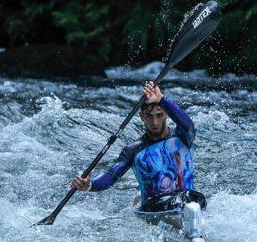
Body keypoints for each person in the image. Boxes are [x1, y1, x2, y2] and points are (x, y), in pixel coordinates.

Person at [71, 81, 206, 215]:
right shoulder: (134, 150)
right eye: (149, 116)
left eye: (159, 115)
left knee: (194, 197)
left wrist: (162, 99)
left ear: (167, 114)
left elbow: (189, 126)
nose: (155, 122)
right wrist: (89, 185)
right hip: (153, 209)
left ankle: (191, 223)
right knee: (186, 199)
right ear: (142, 117)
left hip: (186, 203)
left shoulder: (182, 137)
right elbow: (111, 175)